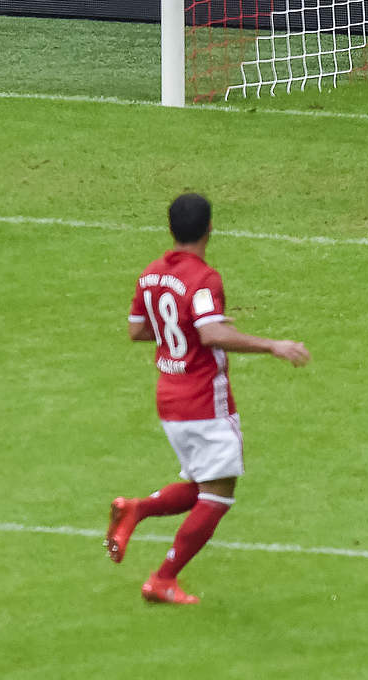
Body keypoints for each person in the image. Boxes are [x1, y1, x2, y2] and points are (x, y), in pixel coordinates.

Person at [105, 193, 311, 605]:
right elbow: (211, 334)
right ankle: (163, 578)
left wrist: (193, 327)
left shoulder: (151, 274)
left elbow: (137, 330)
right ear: (210, 228)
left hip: (169, 398)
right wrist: (273, 345)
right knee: (218, 495)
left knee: (201, 484)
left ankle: (137, 509)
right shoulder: (204, 278)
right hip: (202, 400)